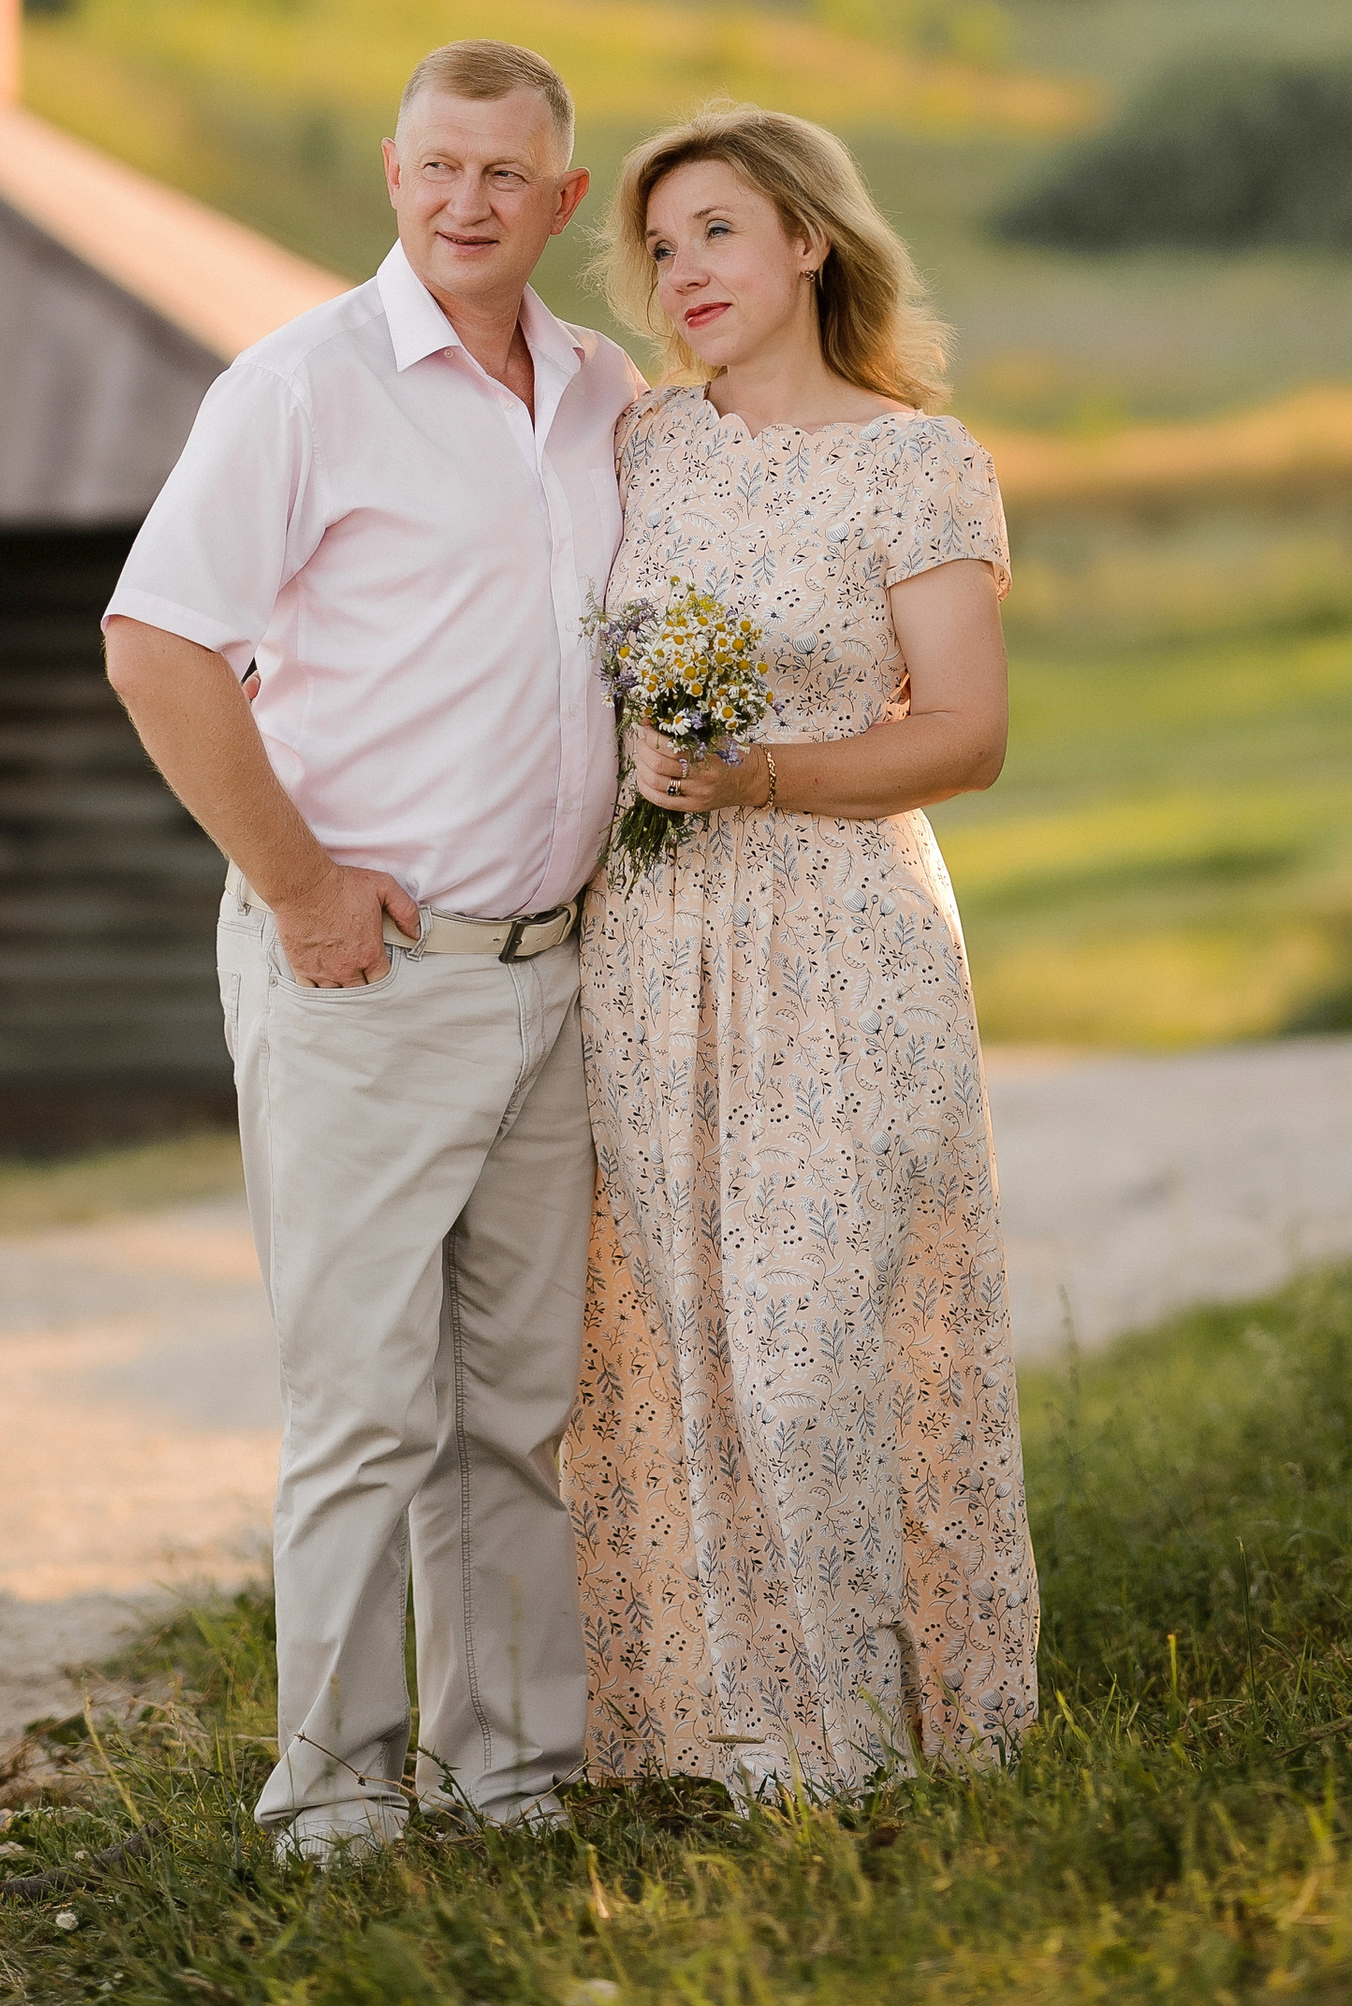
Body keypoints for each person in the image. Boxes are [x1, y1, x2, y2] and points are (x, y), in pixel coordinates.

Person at [102, 39, 646, 1855]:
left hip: (552, 980)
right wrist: (305, 884)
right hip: (367, 981)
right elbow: (158, 645)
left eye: (509, 174)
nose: (470, 200)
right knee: (362, 1408)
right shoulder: (303, 386)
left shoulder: (598, 392)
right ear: (392, 175)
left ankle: (509, 1777)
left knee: (509, 1412)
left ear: (563, 202)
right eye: (440, 166)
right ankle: (333, 1796)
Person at [567, 101, 1039, 1800]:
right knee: (675, 1341)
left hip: (843, 938)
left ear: (810, 241)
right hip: (652, 944)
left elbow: (967, 734)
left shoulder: (921, 462)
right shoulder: (647, 448)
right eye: (663, 243)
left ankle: (890, 1752)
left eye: (719, 232)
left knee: (813, 1346)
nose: (684, 270)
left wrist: (759, 774)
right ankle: (715, 1747)